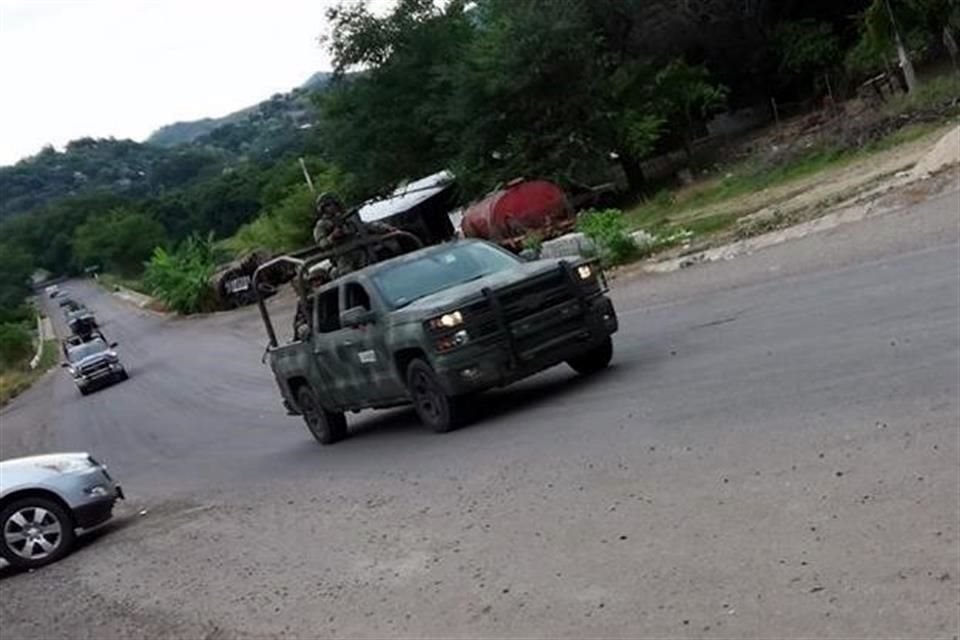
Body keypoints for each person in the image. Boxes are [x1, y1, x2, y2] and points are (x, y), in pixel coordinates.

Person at [311, 192, 399, 278]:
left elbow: (366, 225)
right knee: (349, 277)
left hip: (359, 250)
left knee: (372, 273)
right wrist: (333, 236)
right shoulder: (322, 225)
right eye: (328, 205)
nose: (332, 207)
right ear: (323, 208)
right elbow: (322, 243)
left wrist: (386, 228)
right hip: (342, 255)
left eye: (333, 204)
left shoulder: (347, 217)